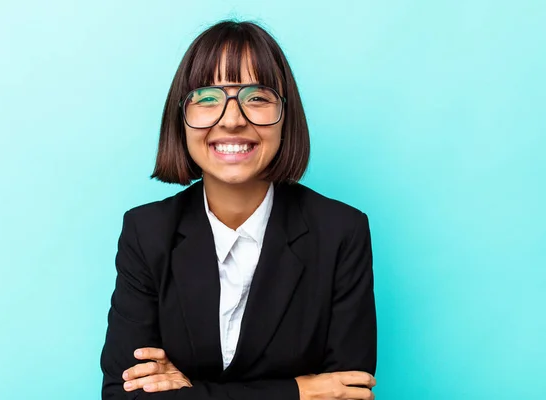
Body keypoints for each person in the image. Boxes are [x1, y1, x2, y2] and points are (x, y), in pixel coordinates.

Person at [100, 20, 377, 400]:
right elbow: (123, 394)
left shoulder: (341, 232)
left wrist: (191, 392)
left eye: (257, 97)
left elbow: (349, 394)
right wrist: (297, 392)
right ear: (181, 115)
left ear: (286, 115)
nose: (232, 119)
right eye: (208, 98)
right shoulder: (146, 231)